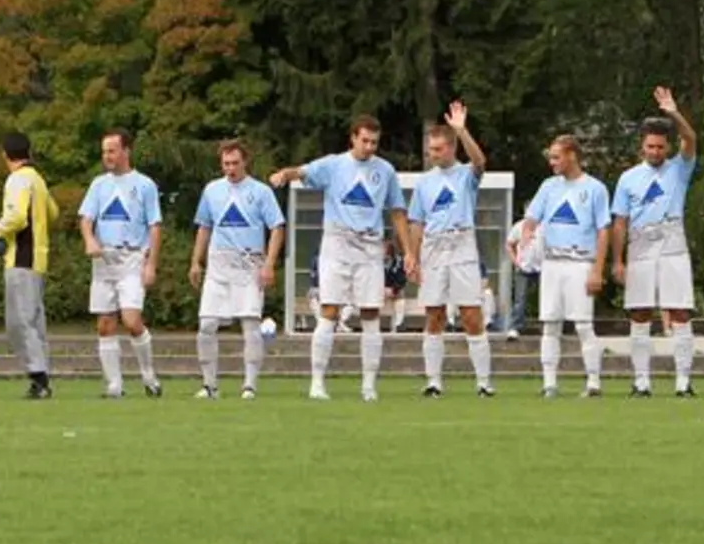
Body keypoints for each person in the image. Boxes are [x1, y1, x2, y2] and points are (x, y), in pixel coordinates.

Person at [270, 115, 409, 402]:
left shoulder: (385, 171)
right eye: (365, 141)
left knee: (370, 313)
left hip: (370, 246)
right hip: (337, 243)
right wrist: (284, 174)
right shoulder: (334, 165)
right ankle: (317, 383)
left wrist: (408, 251)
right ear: (353, 138)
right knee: (329, 310)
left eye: (374, 142)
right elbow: (303, 172)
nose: (369, 147)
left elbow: (397, 211)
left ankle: (368, 386)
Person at [610, 87, 698, 398]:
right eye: (650, 146)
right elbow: (619, 221)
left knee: (680, 310)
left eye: (660, 147)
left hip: (672, 241)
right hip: (641, 244)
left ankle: (683, 381)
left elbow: (690, 139)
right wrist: (617, 260)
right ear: (642, 147)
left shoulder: (679, 169)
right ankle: (641, 381)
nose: (655, 152)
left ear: (667, 147)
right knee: (640, 312)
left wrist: (673, 112)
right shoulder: (628, 178)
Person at [406, 100, 493, 397]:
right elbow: (417, 221)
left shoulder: (466, 174)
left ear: (451, 147)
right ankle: (433, 381)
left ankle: (483, 382)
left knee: (471, 314)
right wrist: (412, 255)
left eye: (438, 149)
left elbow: (480, 162)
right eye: (430, 149)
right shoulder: (424, 183)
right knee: (434, 314)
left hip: (462, 243)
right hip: (433, 246)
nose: (433, 154)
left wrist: (462, 130)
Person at [190, 139, 286, 400]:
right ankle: (209, 385)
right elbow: (204, 227)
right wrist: (196, 261)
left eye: (234, 163)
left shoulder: (261, 192)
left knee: (250, 324)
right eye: (226, 164)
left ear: (245, 162)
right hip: (219, 263)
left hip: (249, 264)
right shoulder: (212, 190)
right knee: (207, 324)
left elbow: (277, 227)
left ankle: (249, 385)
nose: (230, 169)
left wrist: (269, 264)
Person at [523, 134, 612, 398]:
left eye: (556, 157)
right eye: (551, 157)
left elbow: (603, 230)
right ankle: (549, 382)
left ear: (572, 155)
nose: (552, 162)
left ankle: (593, 382)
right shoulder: (548, 186)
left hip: (580, 261)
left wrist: (597, 269)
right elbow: (531, 218)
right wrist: (528, 237)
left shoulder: (594, 188)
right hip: (552, 261)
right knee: (550, 325)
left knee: (583, 324)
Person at [78, 129, 163, 399]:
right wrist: (90, 240)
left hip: (132, 257)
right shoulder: (98, 185)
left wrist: (151, 264)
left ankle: (149, 376)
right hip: (104, 260)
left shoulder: (145, 185)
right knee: (105, 323)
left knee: (131, 320)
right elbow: (86, 219)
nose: (107, 156)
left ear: (126, 151)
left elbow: (155, 226)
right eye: (104, 152)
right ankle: (114, 385)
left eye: (112, 151)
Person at [0, 131, 59, 400]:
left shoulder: (17, 179)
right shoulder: (37, 179)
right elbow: (52, 212)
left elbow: (16, 217)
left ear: (5, 154)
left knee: (19, 322)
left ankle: (39, 378)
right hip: (39, 257)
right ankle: (42, 374)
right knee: (34, 320)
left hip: (21, 258)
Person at [504, 220, 540, 339]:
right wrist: (515, 262)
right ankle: (515, 327)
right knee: (520, 298)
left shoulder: (545, 226)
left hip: (543, 268)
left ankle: (549, 325)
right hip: (523, 267)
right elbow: (509, 244)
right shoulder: (519, 226)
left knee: (548, 297)